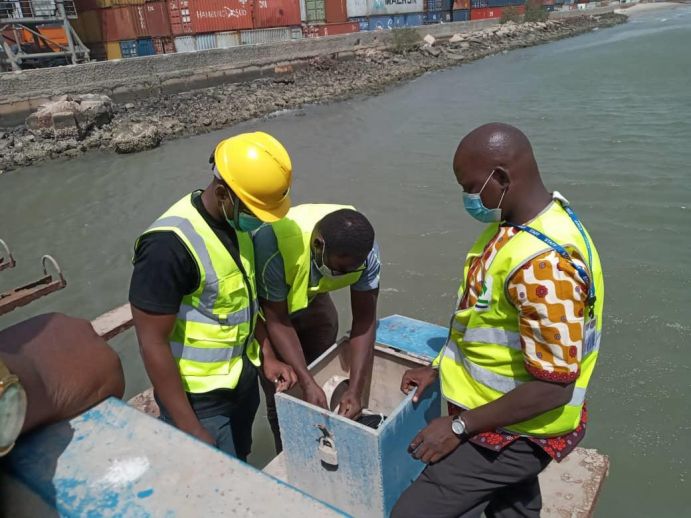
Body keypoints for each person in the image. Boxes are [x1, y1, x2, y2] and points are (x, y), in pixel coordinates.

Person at [393, 123, 604, 518]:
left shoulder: (544, 267)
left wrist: (458, 428)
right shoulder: (520, 225)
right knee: (512, 506)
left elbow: (554, 388)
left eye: (471, 187)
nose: (467, 198)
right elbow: (479, 321)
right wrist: (438, 367)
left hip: (521, 428)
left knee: (412, 513)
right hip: (502, 411)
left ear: (503, 178)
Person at [129, 132, 297, 461]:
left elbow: (241, 304)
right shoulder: (167, 247)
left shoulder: (236, 225)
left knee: (240, 461)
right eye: (255, 211)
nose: (260, 221)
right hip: (199, 401)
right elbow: (152, 343)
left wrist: (267, 357)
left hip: (241, 384)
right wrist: (191, 428)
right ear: (223, 193)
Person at [253, 204, 380, 452]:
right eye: (338, 270)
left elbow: (364, 320)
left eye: (350, 271)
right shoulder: (273, 245)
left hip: (312, 294)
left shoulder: (366, 252)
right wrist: (306, 381)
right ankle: (290, 452)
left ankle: (328, 442)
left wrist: (356, 389)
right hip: (270, 307)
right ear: (319, 245)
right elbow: (276, 318)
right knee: (283, 387)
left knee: (321, 361)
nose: (342, 275)